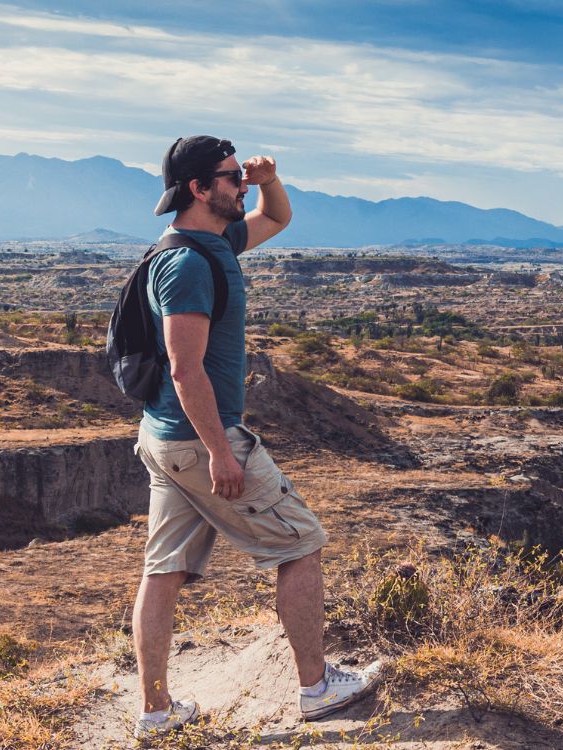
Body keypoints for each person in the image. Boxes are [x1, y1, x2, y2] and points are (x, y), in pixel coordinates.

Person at [130, 135, 379, 739]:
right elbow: (185, 368)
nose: (241, 184)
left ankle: (156, 714)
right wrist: (221, 451)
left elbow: (278, 217)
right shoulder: (189, 265)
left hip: (164, 437)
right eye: (231, 176)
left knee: (162, 572)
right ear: (197, 188)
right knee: (301, 544)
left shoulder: (214, 243)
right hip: (198, 441)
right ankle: (316, 689)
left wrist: (268, 177)